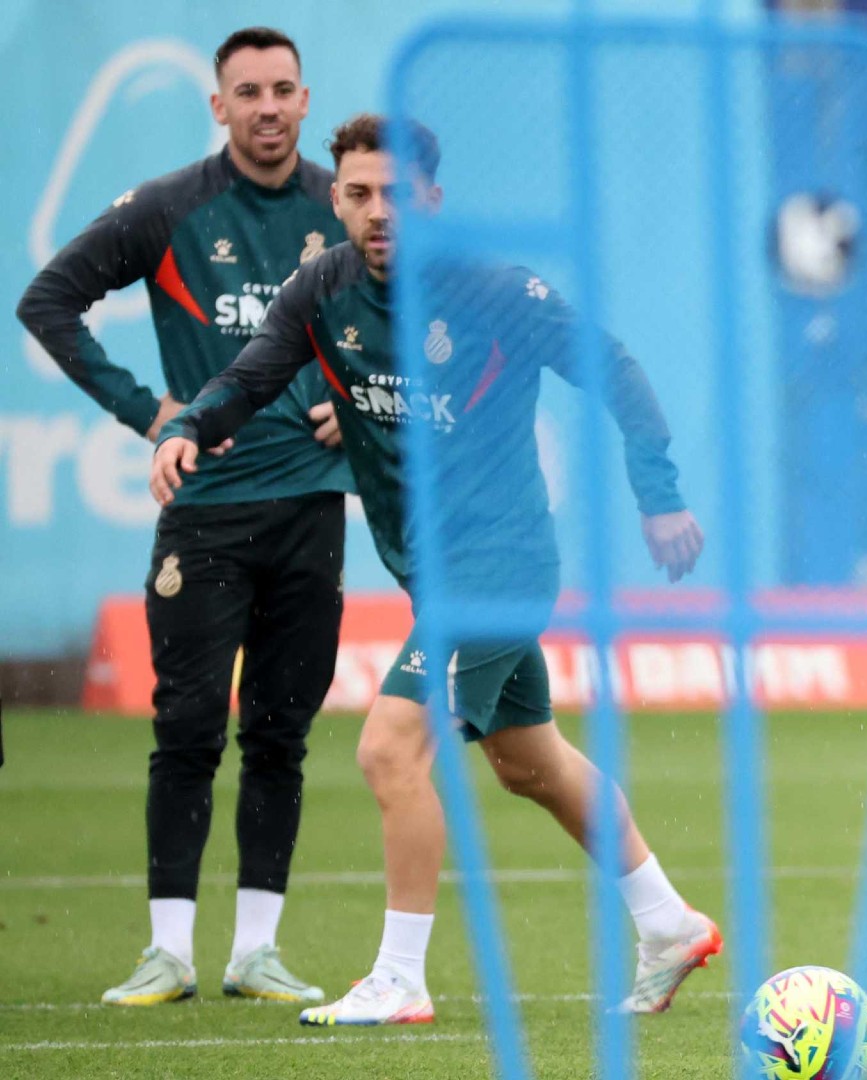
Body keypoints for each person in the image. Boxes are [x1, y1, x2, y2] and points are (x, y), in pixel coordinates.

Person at [151, 114, 717, 1026]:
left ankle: (401, 976)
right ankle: (667, 922)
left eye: (400, 196)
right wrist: (185, 428)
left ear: (434, 202)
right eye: (361, 195)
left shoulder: (492, 290)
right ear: (335, 199)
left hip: (498, 566)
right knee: (530, 763)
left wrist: (660, 495)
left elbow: (614, 366)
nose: (381, 213)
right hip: (434, 573)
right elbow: (249, 380)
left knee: (388, 748)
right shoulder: (321, 290)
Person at [18, 26, 349, 1008]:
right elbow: (49, 300)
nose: (268, 107)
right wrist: (145, 411)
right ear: (218, 106)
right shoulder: (171, 208)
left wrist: (360, 392)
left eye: (283, 89)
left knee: (282, 733)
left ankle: (257, 951)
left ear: (304, 96)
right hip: (203, 508)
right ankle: (169, 952)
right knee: (190, 728)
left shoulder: (345, 205)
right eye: (247, 91)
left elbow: (404, 323)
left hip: (309, 511)